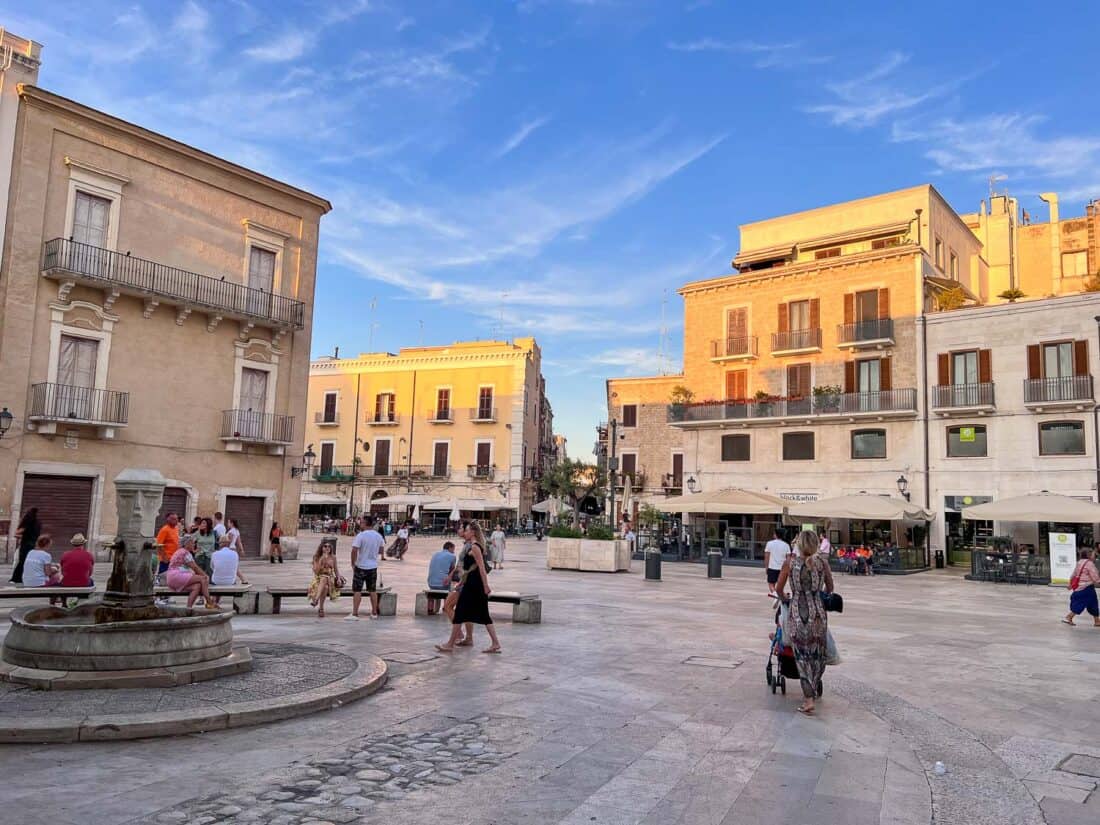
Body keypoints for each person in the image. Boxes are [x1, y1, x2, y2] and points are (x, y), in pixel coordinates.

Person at [775, 530, 834, 715]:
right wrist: (817, 593)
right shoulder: (822, 563)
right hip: (818, 613)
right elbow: (830, 587)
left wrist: (786, 598)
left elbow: (779, 588)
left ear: (799, 544)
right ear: (816, 544)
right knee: (817, 654)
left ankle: (808, 699)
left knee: (801, 656)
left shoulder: (790, 563)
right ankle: (814, 688)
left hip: (797, 614)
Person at [435, 522, 502, 654]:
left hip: (474, 585)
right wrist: (461, 583)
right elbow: (470, 570)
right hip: (470, 583)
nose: (464, 532)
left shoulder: (476, 547)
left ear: (473, 532)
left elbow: (481, 569)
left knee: (461, 613)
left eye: (466, 530)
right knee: (481, 615)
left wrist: (486, 586)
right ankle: (495, 643)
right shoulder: (473, 546)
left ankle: (450, 644)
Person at [348, 516, 384, 620]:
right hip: (373, 566)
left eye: (362, 522)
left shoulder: (361, 536)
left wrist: (353, 563)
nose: (360, 524)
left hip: (361, 566)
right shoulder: (378, 536)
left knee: (357, 590)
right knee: (372, 590)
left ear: (365, 523)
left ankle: (355, 613)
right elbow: (381, 551)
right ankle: (374, 613)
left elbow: (354, 550)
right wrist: (372, 554)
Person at [166, 534, 216, 609]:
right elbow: (195, 567)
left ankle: (189, 608)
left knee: (197, 586)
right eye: (192, 543)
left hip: (170, 578)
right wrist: (206, 576)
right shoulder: (185, 553)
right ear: (187, 543)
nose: (194, 544)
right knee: (203, 579)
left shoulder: (179, 551)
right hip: (177, 575)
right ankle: (209, 602)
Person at [1063, 547, 1100, 627]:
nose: (1095, 556)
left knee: (1093, 603)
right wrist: (1098, 581)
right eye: (1093, 554)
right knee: (1080, 603)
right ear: (1089, 555)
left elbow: (1074, 574)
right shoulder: (1090, 564)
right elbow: (1095, 576)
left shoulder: (1079, 562)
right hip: (1085, 588)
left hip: (1083, 587)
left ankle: (1097, 621)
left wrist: (1070, 584)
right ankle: (1068, 617)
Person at [308, 541, 343, 618]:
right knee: (325, 586)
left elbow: (336, 570)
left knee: (325, 578)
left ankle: (316, 600)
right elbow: (316, 572)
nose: (327, 548)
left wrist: (339, 579)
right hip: (318, 579)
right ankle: (321, 608)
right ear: (321, 547)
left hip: (331, 579)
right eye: (325, 546)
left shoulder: (333, 557)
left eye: (329, 546)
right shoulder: (316, 557)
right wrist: (321, 560)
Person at [9, 507, 42, 585]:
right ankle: (27, 576)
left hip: (26, 544)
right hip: (34, 545)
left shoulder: (27, 522)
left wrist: (24, 536)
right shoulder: (38, 523)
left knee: (22, 561)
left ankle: (16, 578)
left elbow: (16, 534)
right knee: (31, 561)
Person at [210, 535, 249, 599]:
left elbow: (212, 567)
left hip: (216, 581)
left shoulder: (214, 554)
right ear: (229, 544)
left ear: (219, 544)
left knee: (217, 580)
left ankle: (214, 602)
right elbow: (235, 568)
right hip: (230, 581)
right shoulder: (235, 554)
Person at [426, 541, 457, 615]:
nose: (454, 551)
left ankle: (430, 608)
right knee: (452, 585)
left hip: (431, 583)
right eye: (453, 549)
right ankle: (446, 606)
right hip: (443, 584)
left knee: (441, 579)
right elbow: (452, 570)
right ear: (450, 548)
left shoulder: (435, 554)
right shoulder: (452, 556)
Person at [764, 528, 792, 598]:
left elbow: (767, 556)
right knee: (780, 587)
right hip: (782, 569)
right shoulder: (786, 545)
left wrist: (766, 567)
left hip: (772, 567)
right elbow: (788, 559)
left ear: (776, 535)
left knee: (771, 584)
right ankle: (782, 595)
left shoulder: (769, 543)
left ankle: (775, 594)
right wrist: (788, 569)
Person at [155, 513, 180, 584]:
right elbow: (159, 545)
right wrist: (164, 557)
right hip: (166, 560)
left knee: (171, 579)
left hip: (174, 559)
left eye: (176, 519)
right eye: (173, 519)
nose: (176, 521)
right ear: (168, 519)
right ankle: (162, 595)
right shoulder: (164, 530)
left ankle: (168, 593)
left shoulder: (176, 529)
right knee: (164, 579)